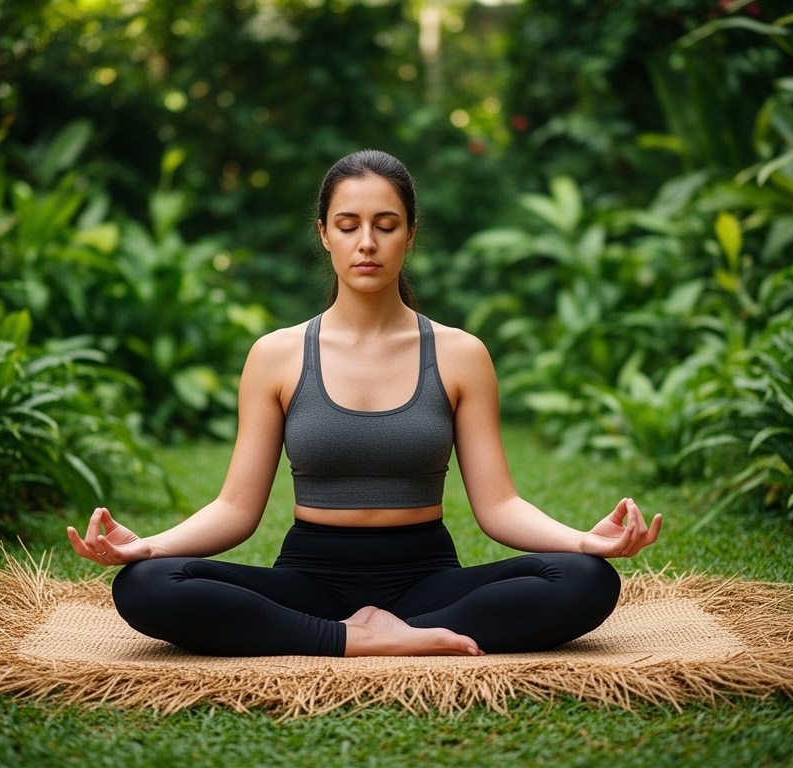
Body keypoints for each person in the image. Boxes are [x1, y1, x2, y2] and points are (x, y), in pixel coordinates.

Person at [67, 149, 662, 658]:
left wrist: (585, 541)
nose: (367, 243)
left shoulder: (459, 354)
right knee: (145, 585)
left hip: (428, 579)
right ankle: (367, 639)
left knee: (586, 581)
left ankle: (371, 633)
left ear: (410, 233)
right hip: (310, 577)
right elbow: (235, 508)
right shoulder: (276, 355)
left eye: (386, 224)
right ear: (324, 233)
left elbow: (499, 505)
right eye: (348, 225)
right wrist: (148, 547)